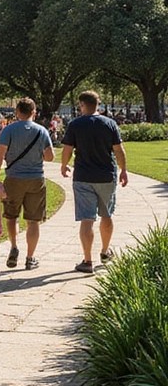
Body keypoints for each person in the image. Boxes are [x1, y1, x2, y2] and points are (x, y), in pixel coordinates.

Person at [60, 89, 129, 274]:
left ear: (83, 105)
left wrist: (64, 165)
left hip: (83, 176)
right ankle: (105, 251)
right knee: (106, 215)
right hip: (106, 175)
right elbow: (119, 150)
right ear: (98, 105)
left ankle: (87, 260)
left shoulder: (75, 125)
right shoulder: (110, 124)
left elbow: (67, 149)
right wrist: (123, 170)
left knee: (86, 219)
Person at [0, 97, 54, 270]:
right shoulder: (41, 131)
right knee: (33, 221)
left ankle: (13, 246)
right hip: (36, 178)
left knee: (12, 215)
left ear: (17, 112)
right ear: (34, 112)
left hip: (13, 178)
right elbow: (49, 157)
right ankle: (30, 257)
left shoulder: (9, 130)